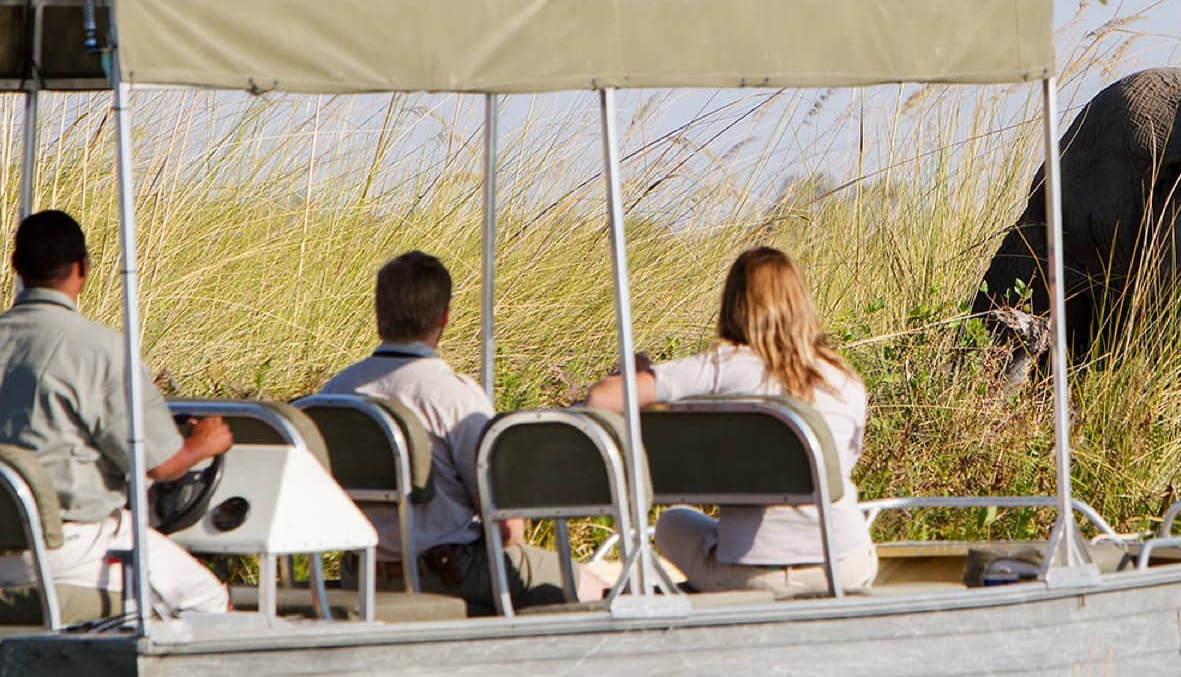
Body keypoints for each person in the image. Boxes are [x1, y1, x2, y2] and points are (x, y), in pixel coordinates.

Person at [320, 251, 606, 614]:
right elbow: (504, 521)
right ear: (444, 315)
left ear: (378, 312)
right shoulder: (453, 396)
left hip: (359, 573)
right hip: (445, 573)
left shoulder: (333, 392)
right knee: (590, 586)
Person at [584, 246, 877, 597]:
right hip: (845, 567)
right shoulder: (844, 378)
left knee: (671, 522)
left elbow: (601, 399)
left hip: (750, 577)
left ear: (734, 304)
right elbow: (842, 465)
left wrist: (632, 373)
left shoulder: (722, 366)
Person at [0, 210, 233, 614]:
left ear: (16, 267)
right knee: (207, 598)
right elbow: (162, 465)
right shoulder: (101, 351)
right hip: (67, 547)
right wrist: (203, 443)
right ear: (83, 268)